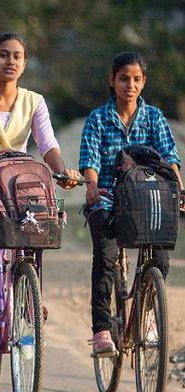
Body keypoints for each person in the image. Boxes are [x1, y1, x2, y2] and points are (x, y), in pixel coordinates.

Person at [0, 32, 79, 384]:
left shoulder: (34, 102)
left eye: (17, 56)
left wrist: (61, 169)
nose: (10, 61)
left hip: (16, 195)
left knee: (32, 251)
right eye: (3, 55)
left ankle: (28, 301)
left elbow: (47, 143)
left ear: (24, 63)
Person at [79, 52, 183, 354]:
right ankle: (101, 329)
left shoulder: (154, 117)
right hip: (108, 197)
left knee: (159, 257)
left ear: (143, 82)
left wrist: (179, 189)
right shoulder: (98, 118)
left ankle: (147, 315)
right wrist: (92, 185)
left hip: (147, 198)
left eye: (137, 79)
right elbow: (90, 159)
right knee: (106, 256)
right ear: (112, 80)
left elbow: (170, 158)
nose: (130, 85)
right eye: (124, 78)